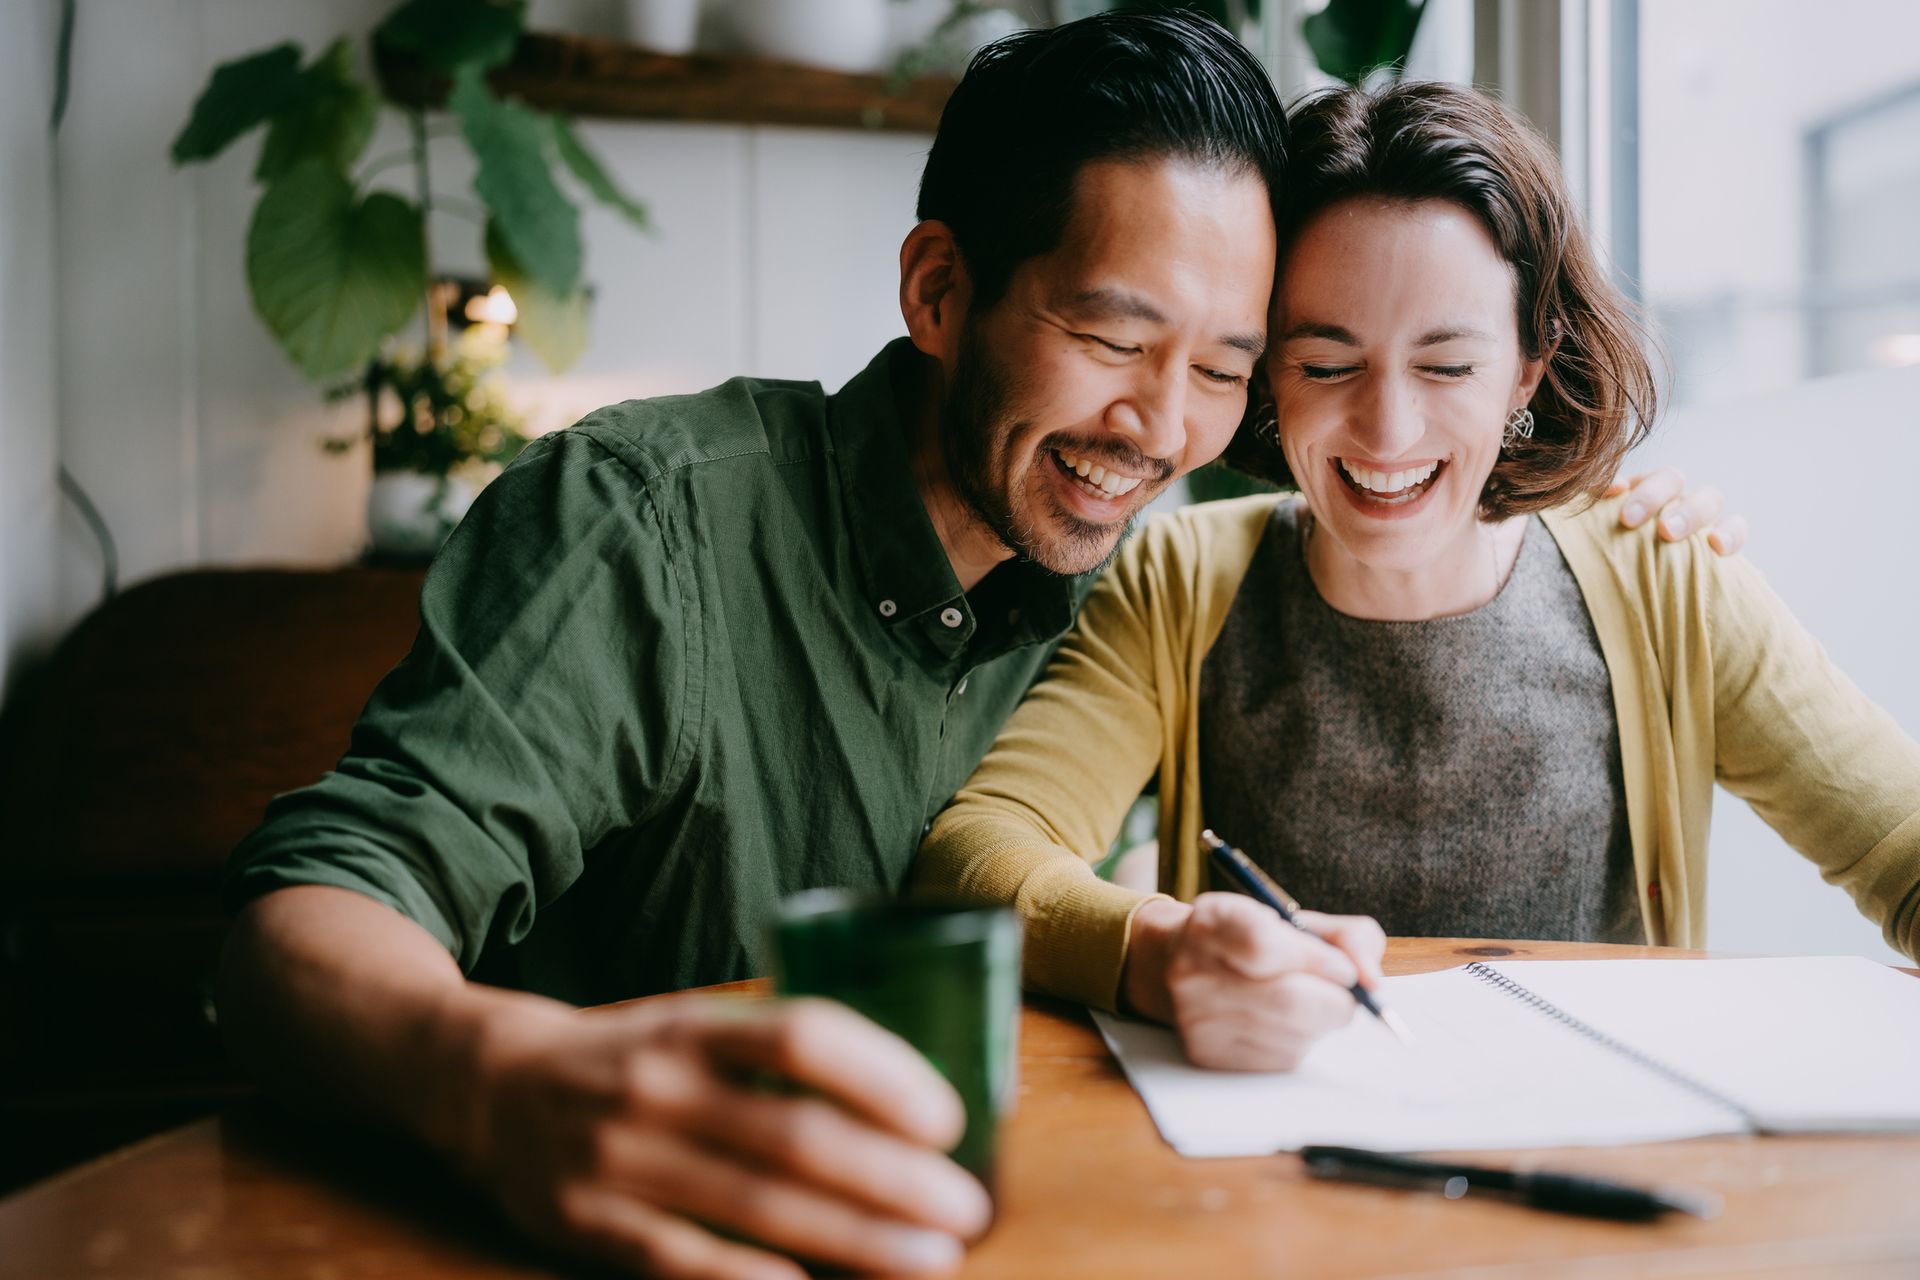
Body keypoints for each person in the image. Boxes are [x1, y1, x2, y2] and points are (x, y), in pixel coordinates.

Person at [218, 16, 1731, 1276]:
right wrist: (499, 1084)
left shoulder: (1160, 561)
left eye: (1223, 367)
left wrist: (1616, 528)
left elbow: (1416, 484)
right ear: (940, 288)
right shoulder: (648, 522)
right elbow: (314, 914)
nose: (1161, 427)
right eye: (1110, 338)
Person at [912, 80, 1920, 1078]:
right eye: (1326, 363)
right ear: (1267, 376)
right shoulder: (1181, 578)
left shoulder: (1665, 576)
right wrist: (1158, 950)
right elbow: (981, 850)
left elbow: (1901, 845)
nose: (1387, 432)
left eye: (1445, 366)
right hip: (1280, 1185)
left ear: (1529, 364)